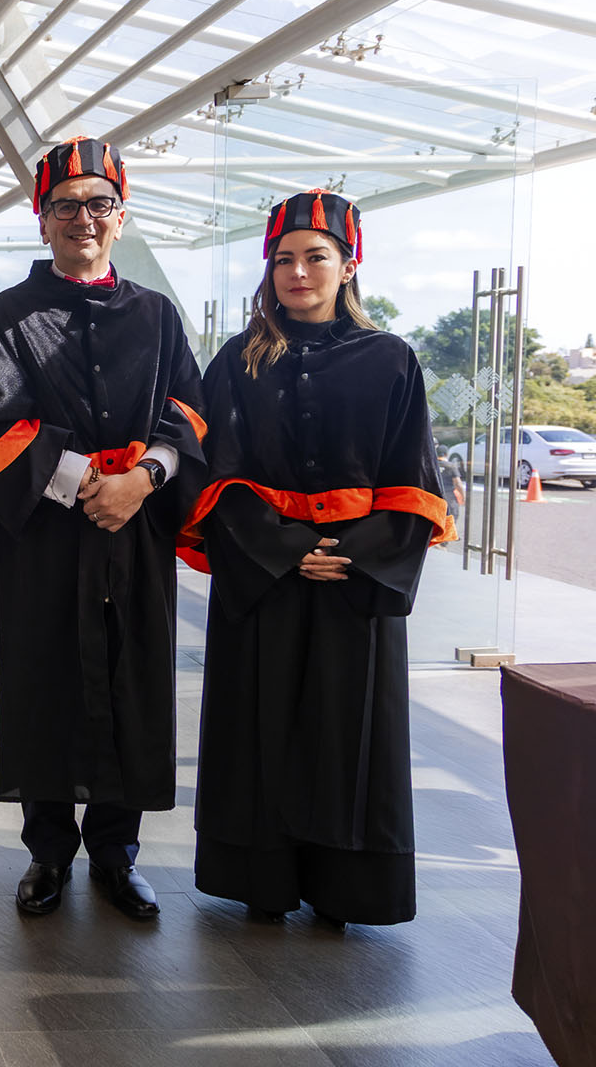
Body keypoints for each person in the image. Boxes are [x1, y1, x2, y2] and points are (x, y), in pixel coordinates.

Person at [183, 190, 452, 928]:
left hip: (353, 586)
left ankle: (346, 887)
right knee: (259, 730)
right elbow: (216, 471)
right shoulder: (237, 361)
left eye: (315, 257)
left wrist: (355, 554)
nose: (298, 272)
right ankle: (261, 880)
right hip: (265, 579)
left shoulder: (392, 358)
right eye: (283, 260)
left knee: (347, 735)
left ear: (348, 264)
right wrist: (287, 548)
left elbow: (415, 479)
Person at [0, 137, 206, 922]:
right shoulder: (7, 316)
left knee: (131, 684)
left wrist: (145, 479)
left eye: (99, 205)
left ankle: (117, 854)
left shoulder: (157, 315)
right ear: (42, 221)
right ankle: (47, 854)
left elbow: (192, 416)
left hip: (136, 533)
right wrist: (82, 481)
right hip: (47, 541)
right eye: (65, 206)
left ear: (120, 217)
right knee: (46, 685)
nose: (83, 219)